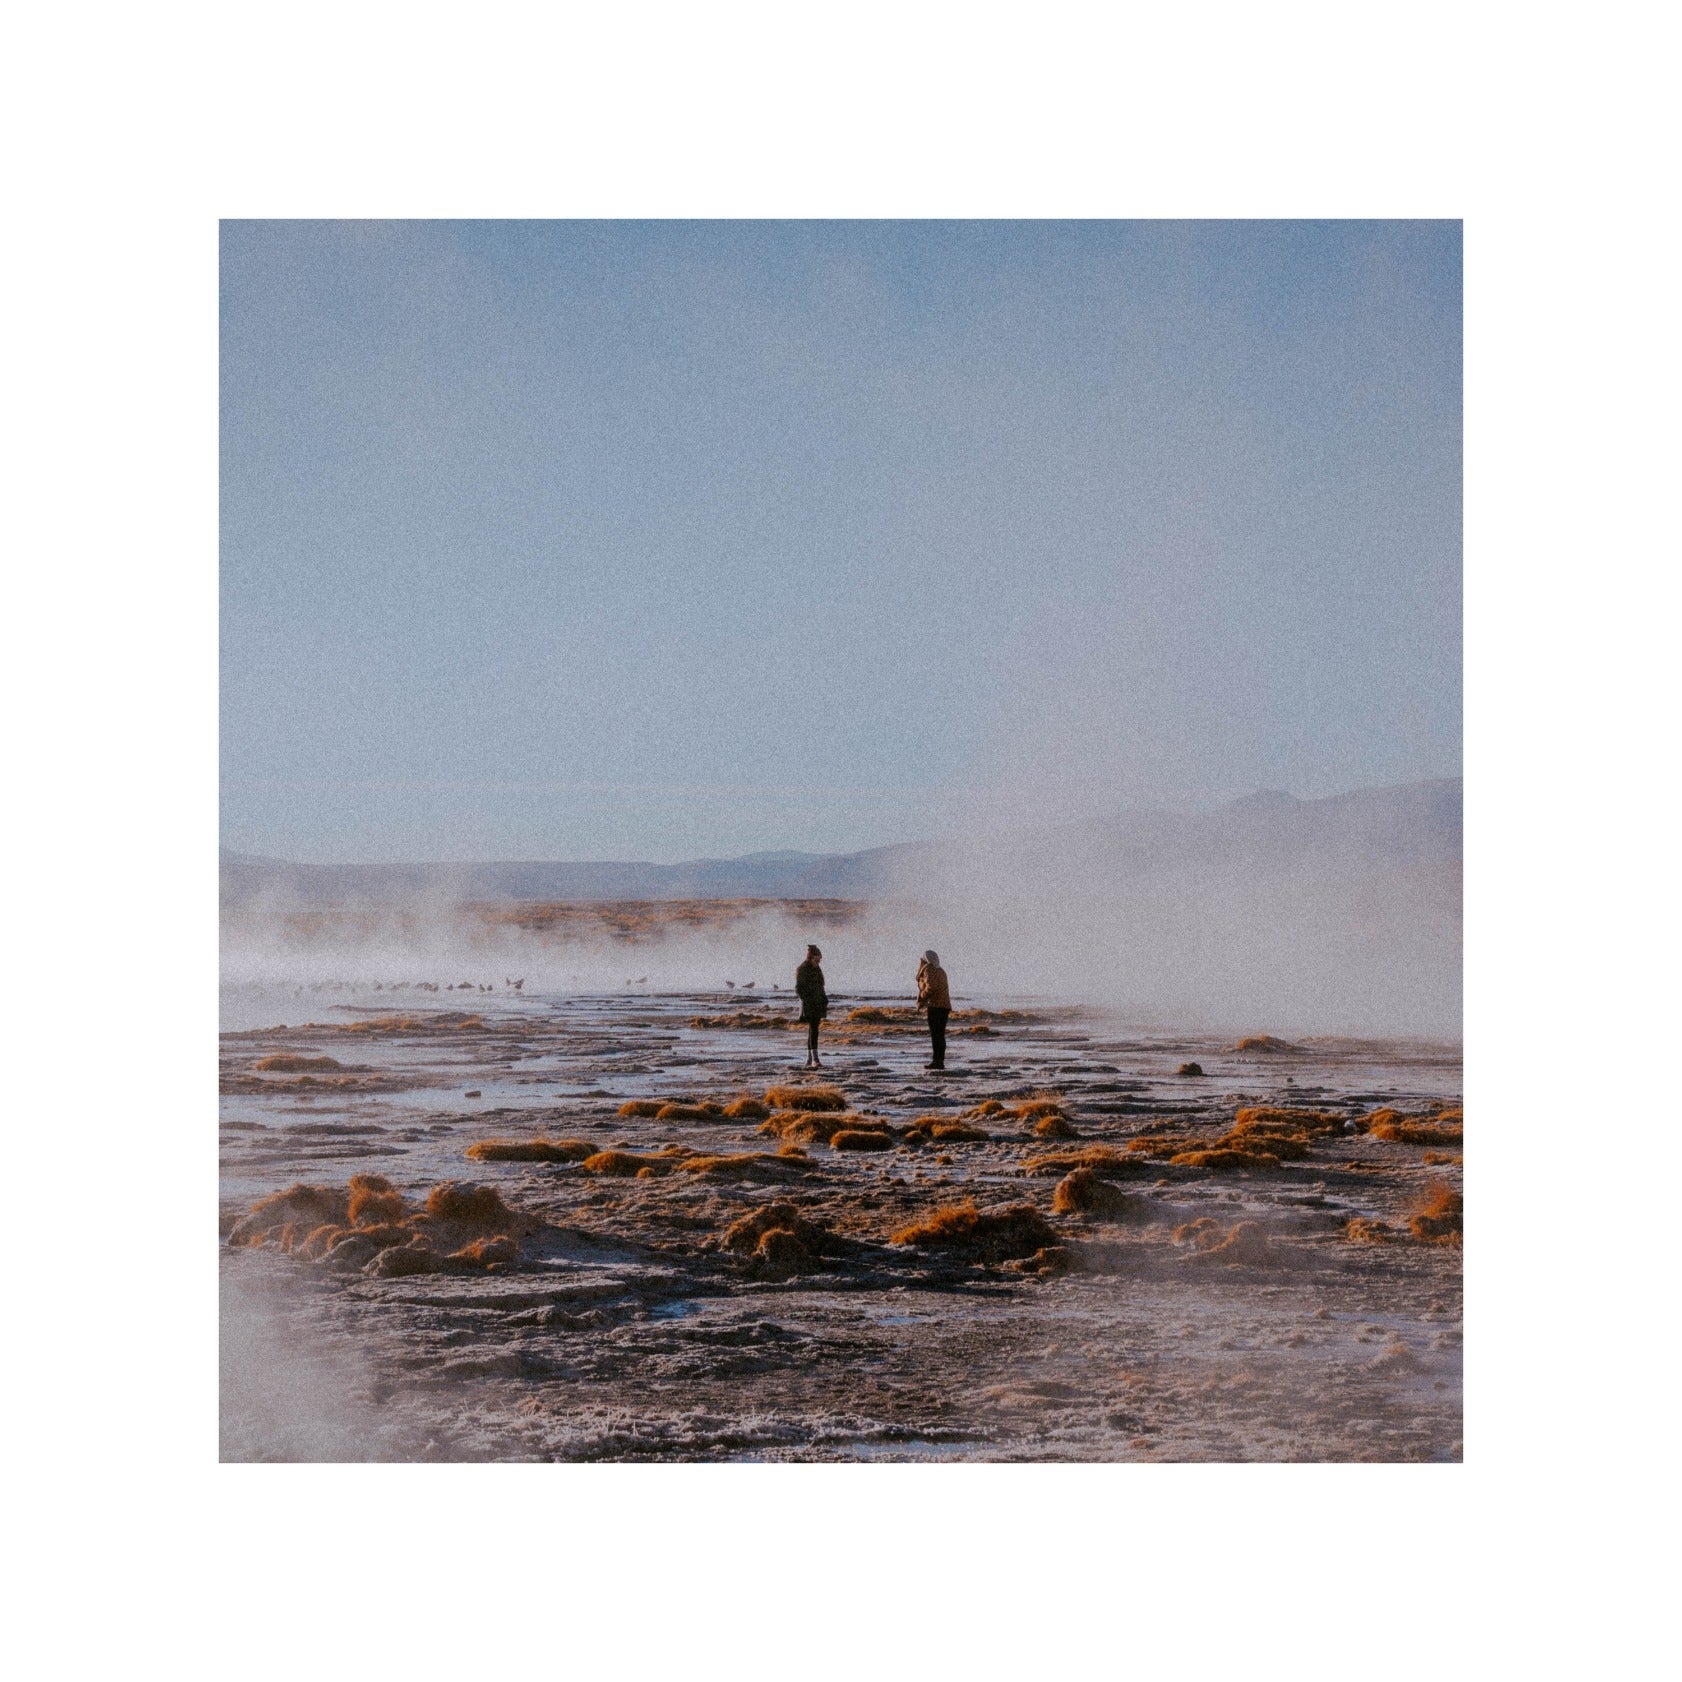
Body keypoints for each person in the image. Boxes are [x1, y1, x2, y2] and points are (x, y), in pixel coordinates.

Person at [916, 949, 951, 1070]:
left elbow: (931, 987)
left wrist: (922, 997)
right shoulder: (941, 970)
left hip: (935, 1005)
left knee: (936, 1035)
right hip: (945, 1006)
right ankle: (939, 1061)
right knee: (940, 1035)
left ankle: (937, 1061)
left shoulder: (929, 969)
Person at [795, 944, 829, 1067]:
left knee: (814, 1029)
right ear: (812, 957)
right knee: (813, 1029)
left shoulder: (817, 969)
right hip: (809, 1003)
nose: (818, 961)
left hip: (818, 1001)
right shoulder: (803, 969)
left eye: (819, 959)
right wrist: (806, 1000)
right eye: (817, 959)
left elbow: (821, 986)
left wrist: (824, 999)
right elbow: (799, 988)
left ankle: (810, 1059)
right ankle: (814, 1059)